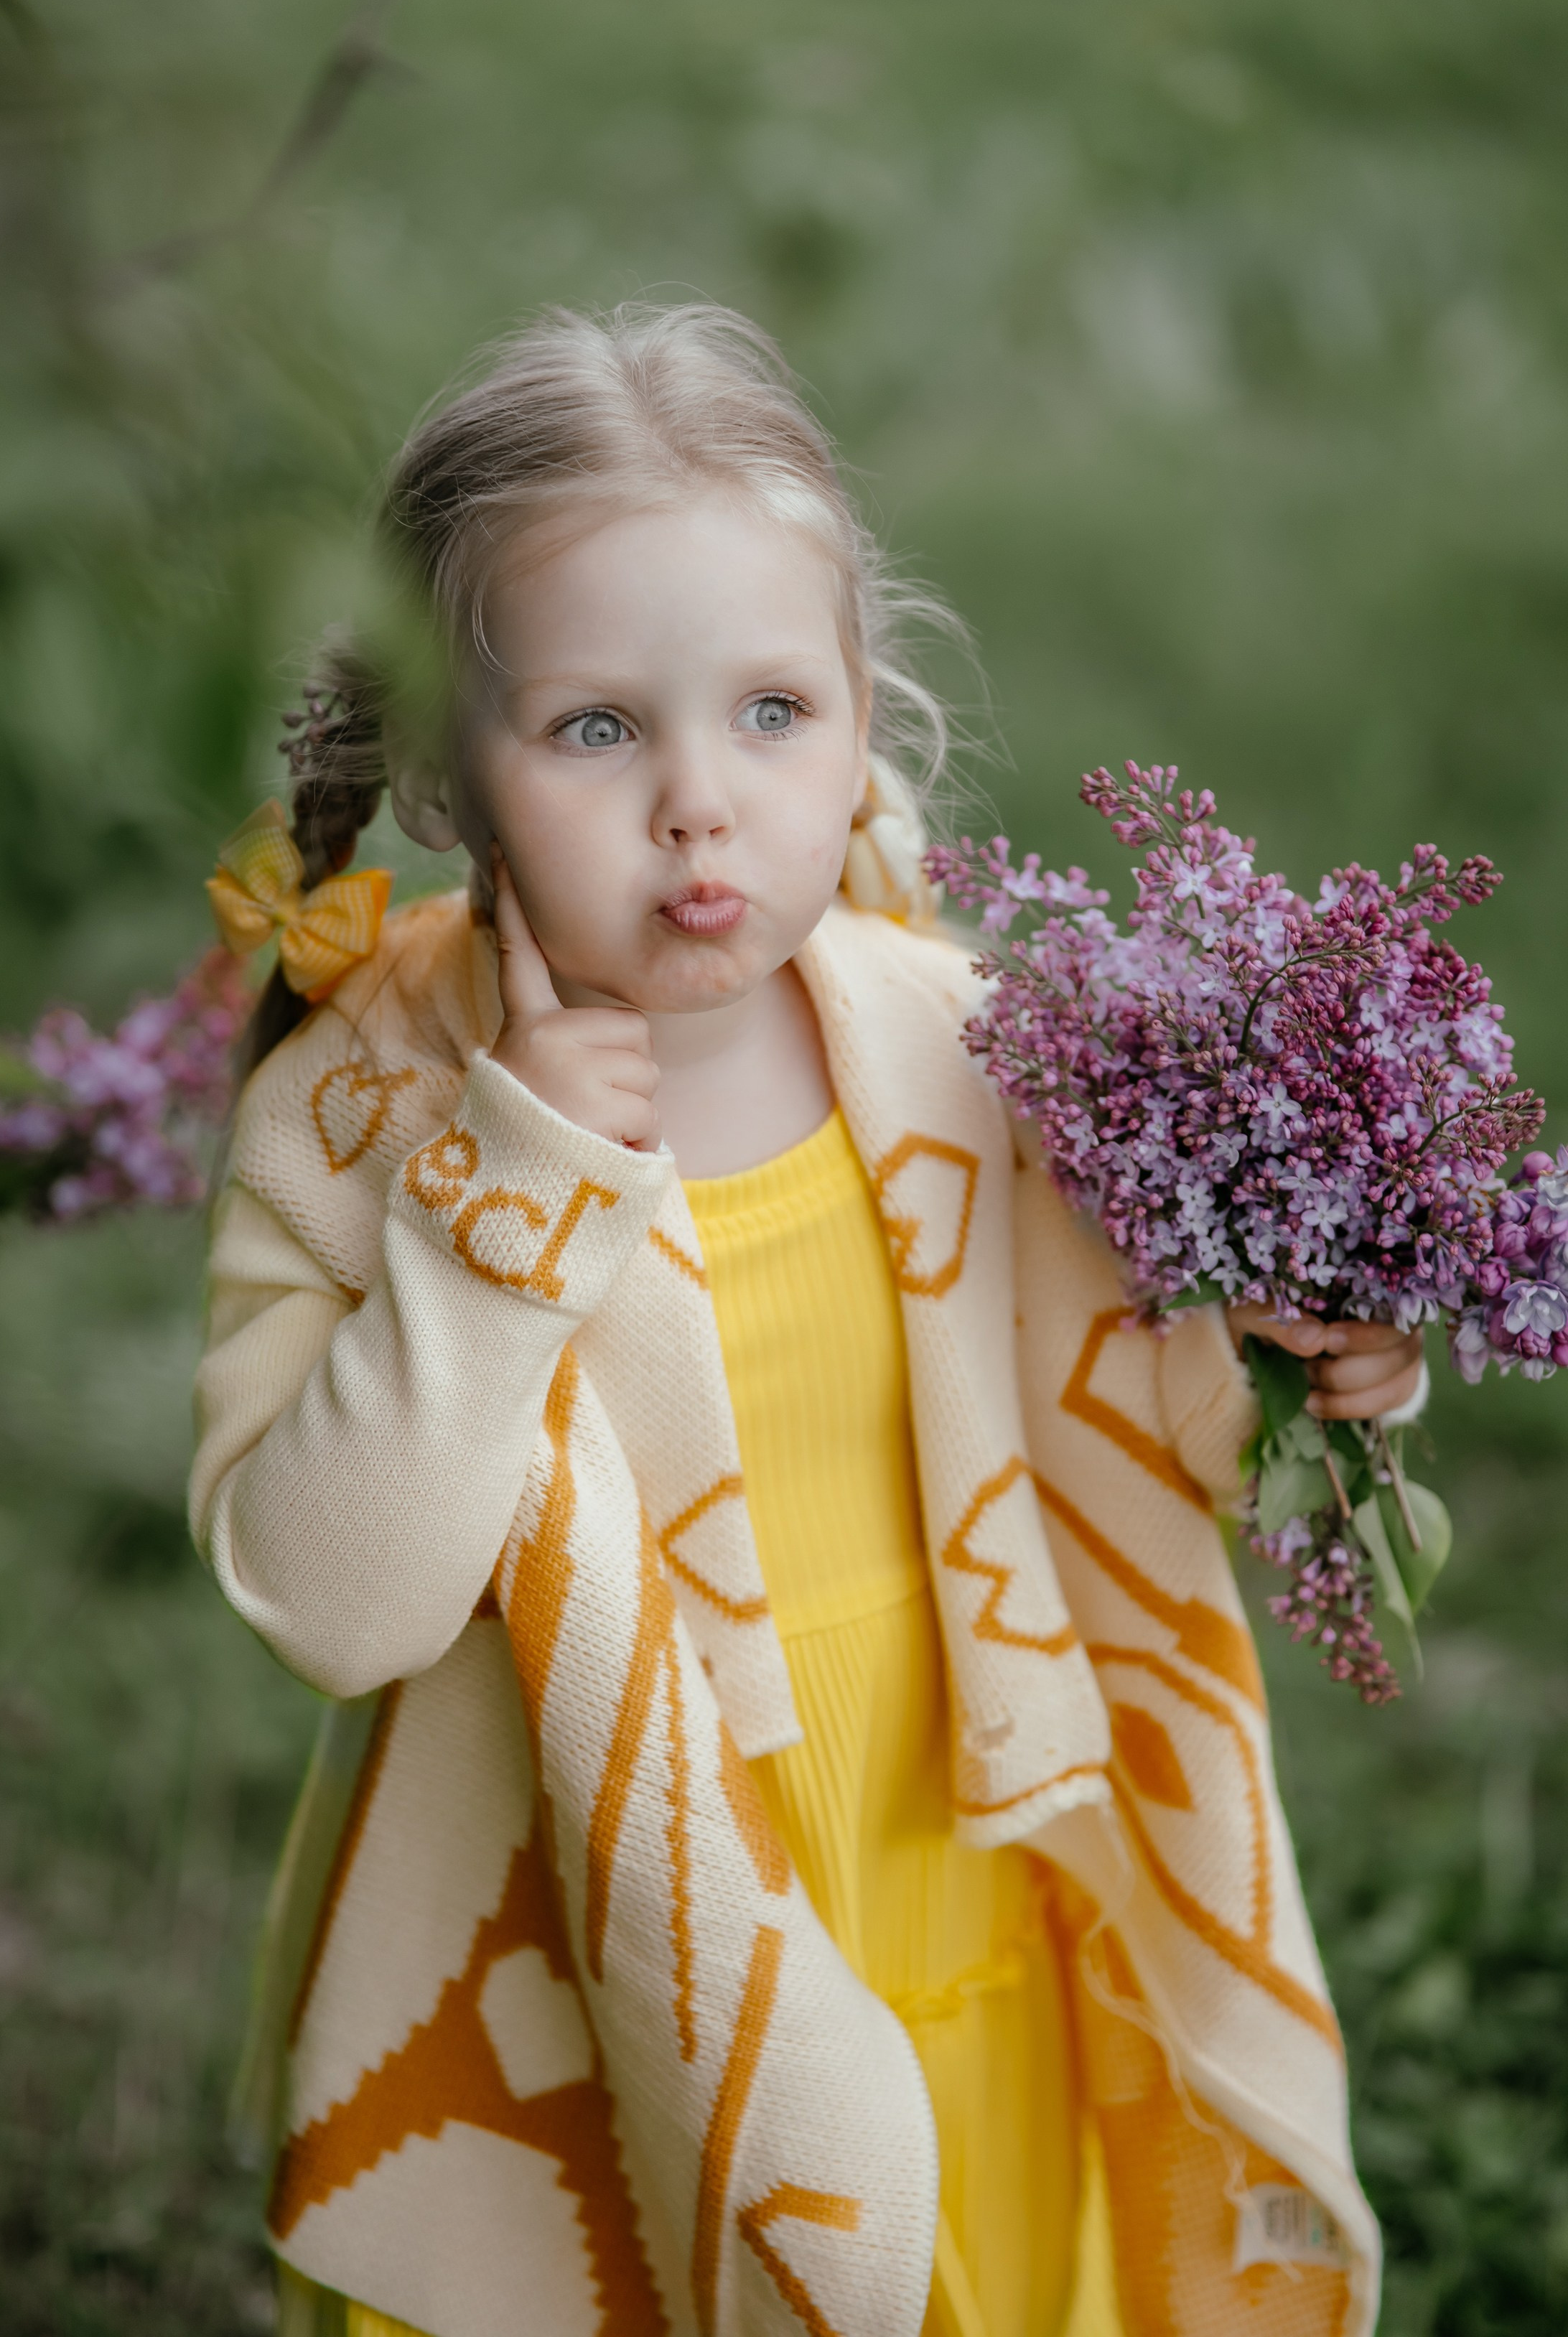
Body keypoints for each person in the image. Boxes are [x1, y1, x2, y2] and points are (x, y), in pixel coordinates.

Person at [190, 303, 1422, 2337]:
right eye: (596, 727)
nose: (701, 803)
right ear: (445, 762)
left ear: (865, 708)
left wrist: (1294, 1375)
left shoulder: (957, 1040)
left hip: (957, 1855)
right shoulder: (364, 1110)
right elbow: (333, 1603)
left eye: (771, 711)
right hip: (596, 1925)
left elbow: (1121, 1437)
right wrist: (502, 1206)